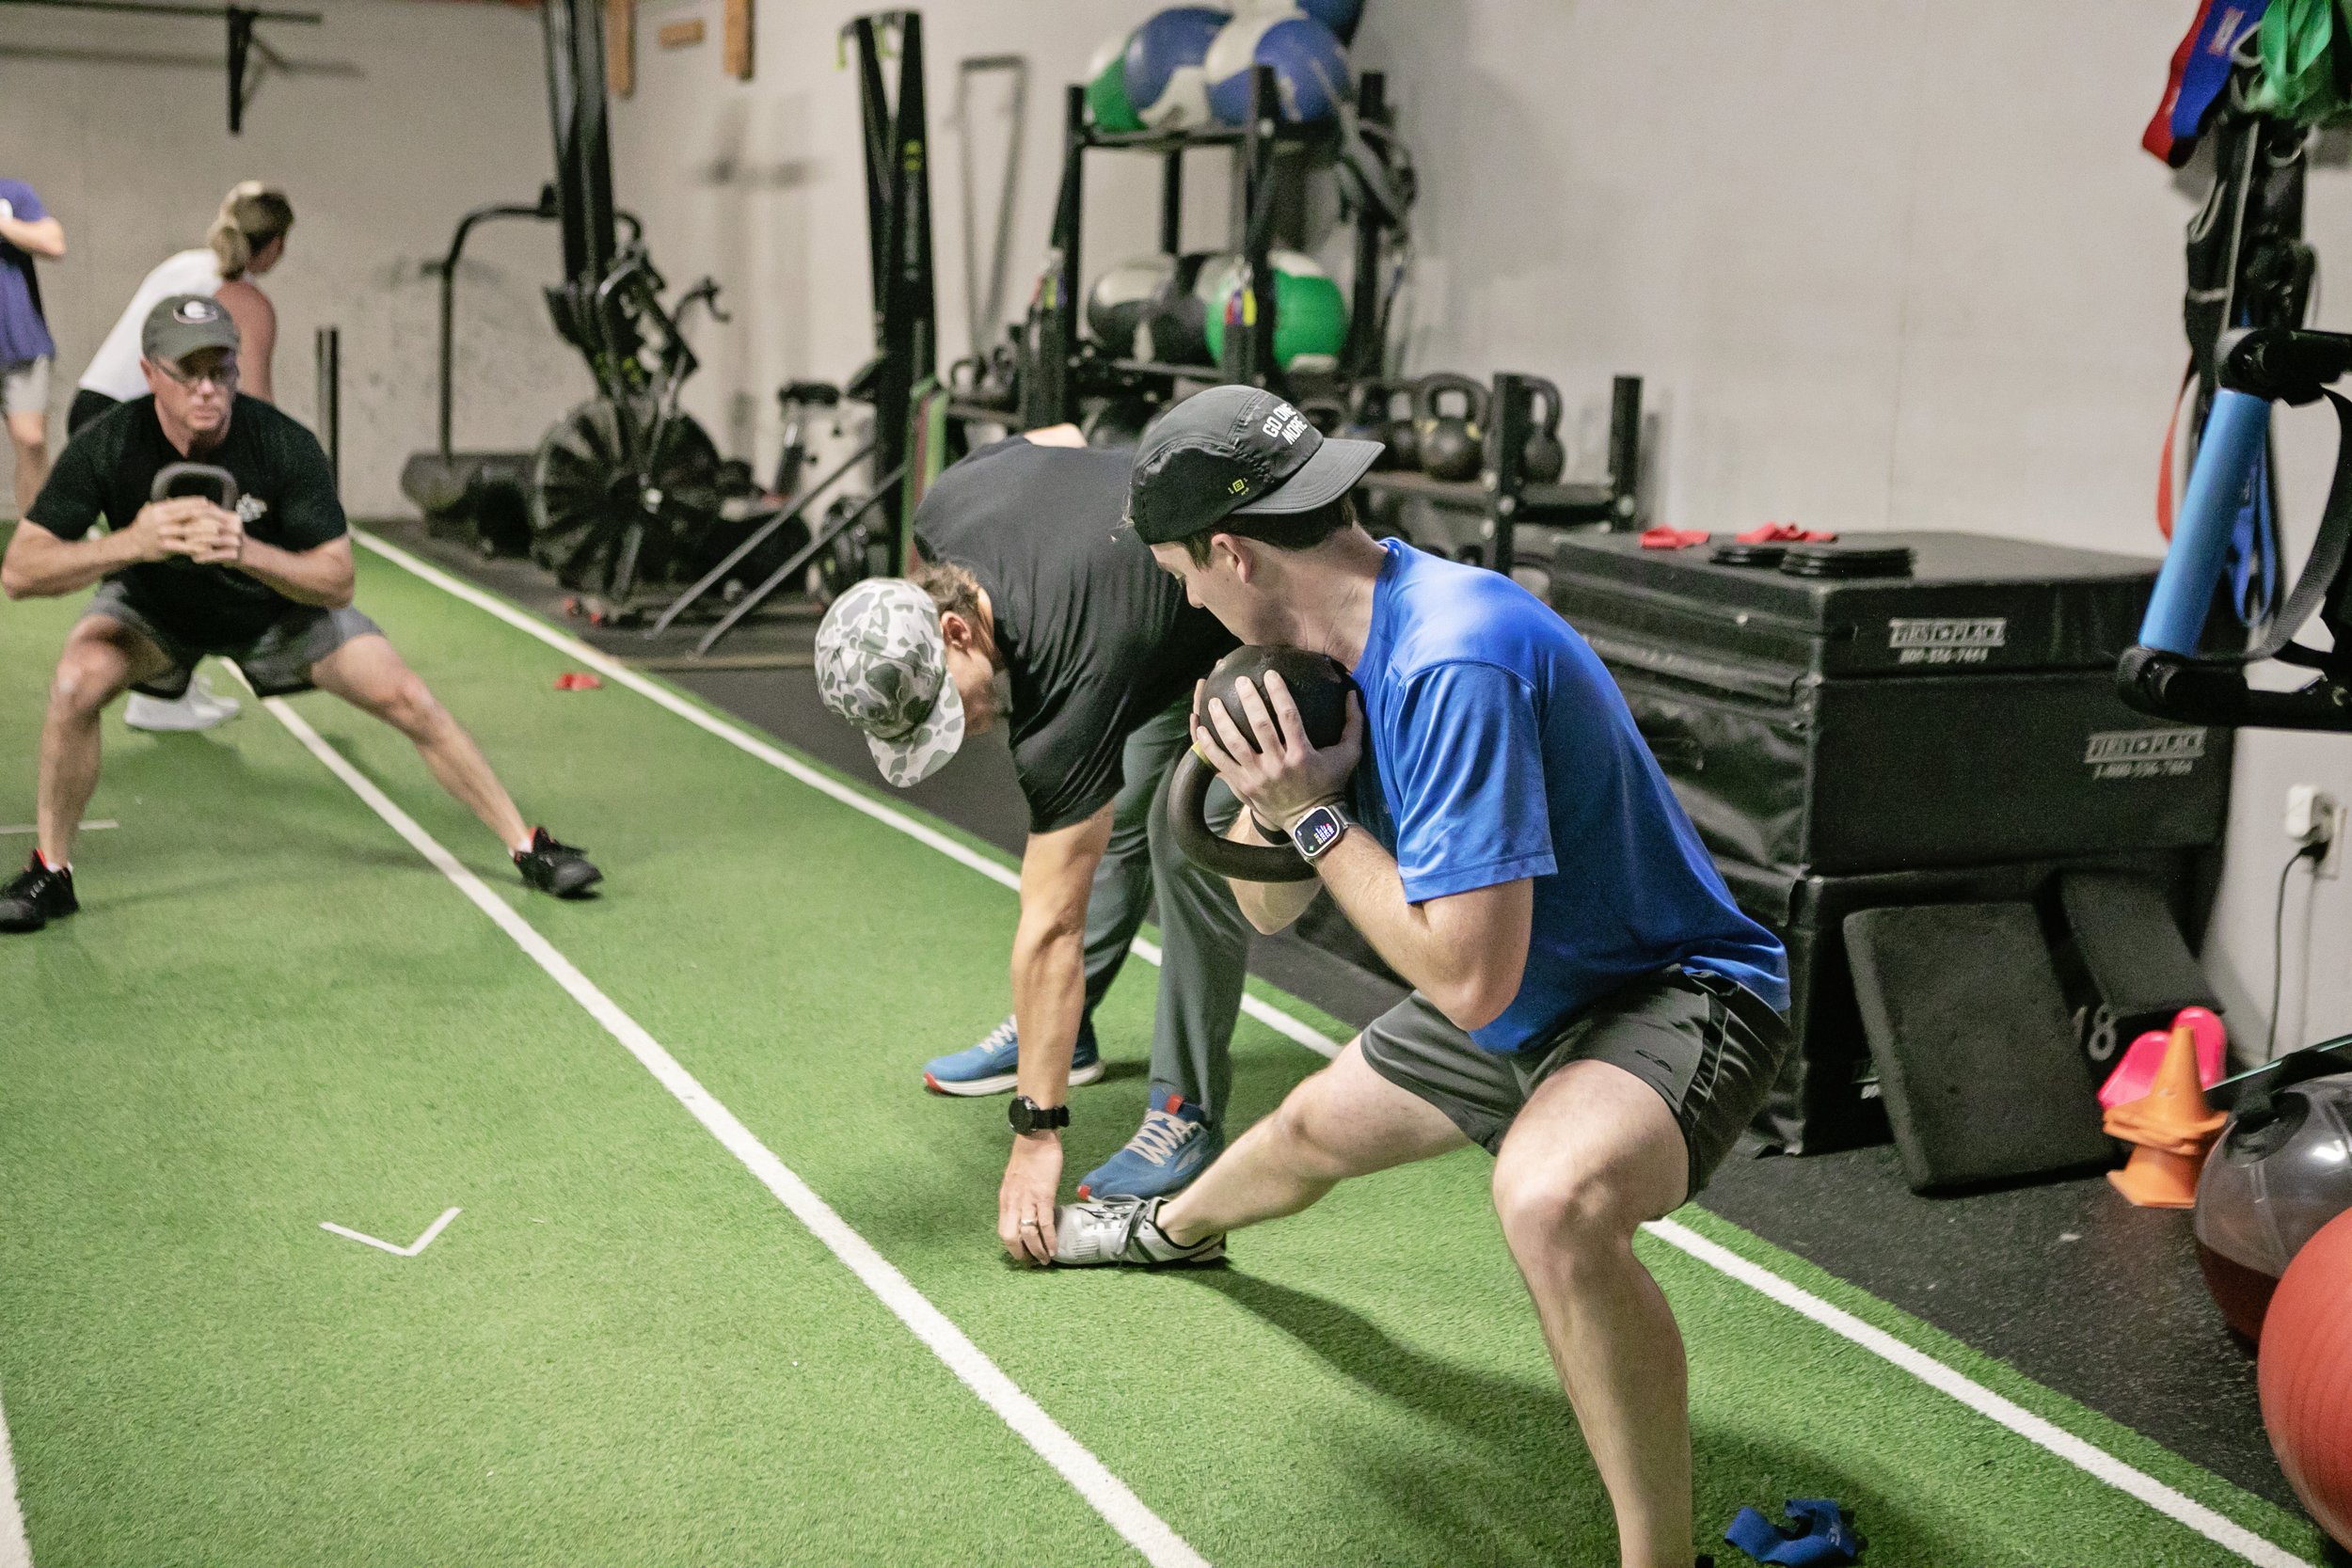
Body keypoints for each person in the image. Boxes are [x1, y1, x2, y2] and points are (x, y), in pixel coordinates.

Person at [1050, 386, 1793, 1568]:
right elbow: (1274, 905)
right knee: (1301, 1130)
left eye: (1181, 574)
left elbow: (1472, 983)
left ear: (1230, 551)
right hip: (1536, 985)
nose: (1185, 601)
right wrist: (1276, 801)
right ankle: (1168, 1230)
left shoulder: (1453, 652)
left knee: (1551, 1201)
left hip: (1671, 990)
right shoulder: (1320, 658)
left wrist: (1309, 815)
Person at [0, 295, 603, 934]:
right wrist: (134, 543)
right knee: (73, 684)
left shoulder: (282, 443)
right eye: (189, 373)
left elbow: (338, 579)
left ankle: (527, 843)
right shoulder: (109, 443)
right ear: (151, 374)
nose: (209, 390)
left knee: (408, 695)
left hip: (277, 615)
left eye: (222, 370)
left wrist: (245, 549)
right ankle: (51, 871)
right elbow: (19, 572)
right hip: (154, 614)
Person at [811, 423, 1256, 1256]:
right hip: (1148, 623)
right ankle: (1064, 1024)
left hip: (1255, 614)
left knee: (1187, 836)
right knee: (1116, 816)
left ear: (956, 631)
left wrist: (1036, 1130)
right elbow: (1060, 437)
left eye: (953, 706)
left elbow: (1052, 918)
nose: (968, 728)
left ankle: (1185, 1109)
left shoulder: (1067, 690)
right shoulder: (945, 510)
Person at [72, 182, 296, 734]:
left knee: (177, 553)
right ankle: (154, 692)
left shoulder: (186, 266)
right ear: (272, 245)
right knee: (184, 552)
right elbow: (249, 398)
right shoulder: (233, 293)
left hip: (95, 407)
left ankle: (170, 685)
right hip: (131, 422)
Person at [0, 177, 67, 520]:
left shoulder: (13, 194)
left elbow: (54, 243)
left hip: (20, 345)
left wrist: (4, 224)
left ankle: (37, 536)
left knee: (31, 442)